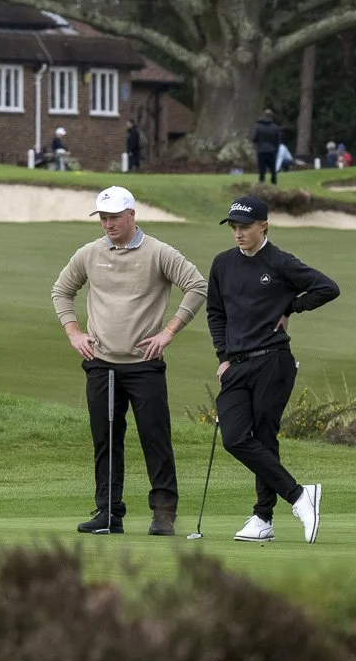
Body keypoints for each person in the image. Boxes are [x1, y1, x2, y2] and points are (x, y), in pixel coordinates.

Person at [51, 186, 208, 535]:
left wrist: (168, 332)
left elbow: (196, 286)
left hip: (144, 364)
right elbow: (61, 290)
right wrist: (74, 332)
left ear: (132, 215)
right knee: (106, 439)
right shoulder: (90, 253)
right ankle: (109, 513)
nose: (108, 224)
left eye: (114, 218)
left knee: (156, 438)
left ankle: (163, 515)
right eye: (103, 218)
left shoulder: (158, 252)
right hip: (101, 363)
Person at [207, 195, 340, 543]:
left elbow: (328, 288)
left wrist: (292, 307)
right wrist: (222, 356)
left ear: (263, 225)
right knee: (235, 438)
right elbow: (216, 313)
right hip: (236, 364)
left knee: (264, 437)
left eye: (245, 227)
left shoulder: (280, 262)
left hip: (273, 360)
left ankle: (262, 518)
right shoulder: (222, 264)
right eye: (234, 227)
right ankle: (299, 495)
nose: (238, 233)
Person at [251, 109, 283, 184]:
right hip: (272, 151)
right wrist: (276, 150)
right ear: (272, 117)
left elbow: (254, 139)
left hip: (261, 151)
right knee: (273, 171)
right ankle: (274, 185)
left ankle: (261, 185)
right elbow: (278, 141)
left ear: (263, 116)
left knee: (262, 170)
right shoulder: (275, 127)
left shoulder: (258, 127)